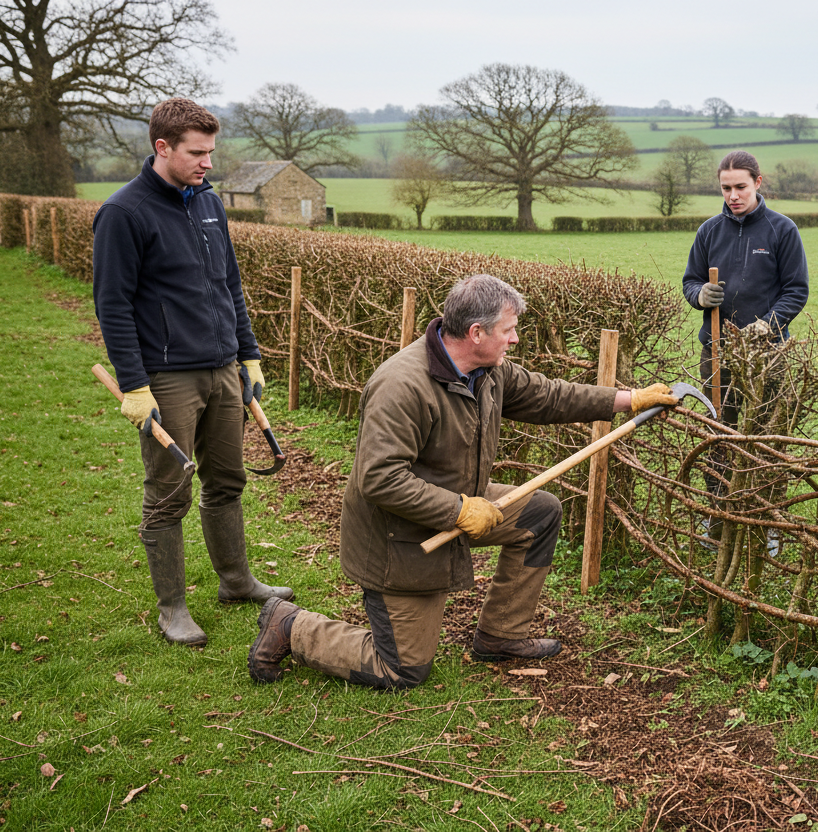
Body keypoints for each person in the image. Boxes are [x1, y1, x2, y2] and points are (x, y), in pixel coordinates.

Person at [247, 275, 678, 688]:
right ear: (476, 332)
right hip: (399, 538)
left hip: (455, 505)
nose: (514, 339)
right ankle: (291, 624)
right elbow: (378, 478)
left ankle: (501, 634)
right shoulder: (402, 386)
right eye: (508, 331)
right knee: (401, 668)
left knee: (540, 513)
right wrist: (459, 509)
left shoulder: (487, 371)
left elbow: (549, 396)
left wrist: (629, 399)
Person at [92, 98, 292, 648]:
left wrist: (246, 355)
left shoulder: (208, 203)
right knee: (168, 492)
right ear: (163, 147)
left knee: (227, 480)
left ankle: (237, 581)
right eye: (197, 153)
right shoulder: (124, 213)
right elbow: (112, 304)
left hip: (223, 369)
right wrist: (134, 384)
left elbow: (229, 284)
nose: (208, 163)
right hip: (167, 377)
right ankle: (173, 608)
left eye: (211, 152)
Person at [681, 151, 808, 543]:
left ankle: (764, 526)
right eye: (725, 188)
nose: (733, 195)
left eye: (740, 187)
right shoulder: (709, 232)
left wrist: (766, 326)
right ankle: (716, 519)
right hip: (716, 350)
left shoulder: (781, 230)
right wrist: (700, 294)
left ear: (758, 182)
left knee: (765, 436)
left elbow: (796, 291)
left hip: (766, 353)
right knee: (718, 429)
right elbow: (689, 282)